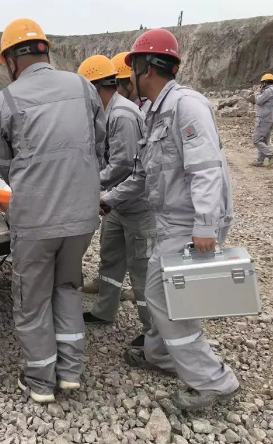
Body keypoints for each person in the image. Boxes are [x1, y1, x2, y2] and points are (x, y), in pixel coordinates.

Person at [99, 29, 240, 410]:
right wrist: (107, 200)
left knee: (167, 298)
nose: (130, 75)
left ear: (146, 67)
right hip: (170, 221)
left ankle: (213, 381)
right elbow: (142, 177)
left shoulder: (186, 106)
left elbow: (205, 169)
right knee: (160, 293)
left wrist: (205, 226)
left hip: (189, 223)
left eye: (133, 66)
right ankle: (160, 354)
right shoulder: (155, 111)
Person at [0, 18, 106, 403]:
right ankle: (70, 372)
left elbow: (3, 162)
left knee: (32, 298)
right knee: (68, 287)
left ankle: (40, 380)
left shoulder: (6, 99)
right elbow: (98, 144)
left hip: (35, 220)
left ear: (10, 60)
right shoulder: (83, 86)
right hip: (82, 217)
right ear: (45, 51)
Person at [77, 55, 155, 349]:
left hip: (136, 206)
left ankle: (152, 333)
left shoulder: (122, 115)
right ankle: (104, 311)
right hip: (117, 205)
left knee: (142, 271)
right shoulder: (108, 113)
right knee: (111, 259)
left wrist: (91, 187)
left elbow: (123, 165)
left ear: (96, 88)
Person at [251, 73, 273, 167]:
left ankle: (272, 154)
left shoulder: (268, 91)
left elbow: (259, 101)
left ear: (265, 82)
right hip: (271, 119)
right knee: (264, 140)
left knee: (256, 140)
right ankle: (260, 161)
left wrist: (257, 93)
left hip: (264, 119)